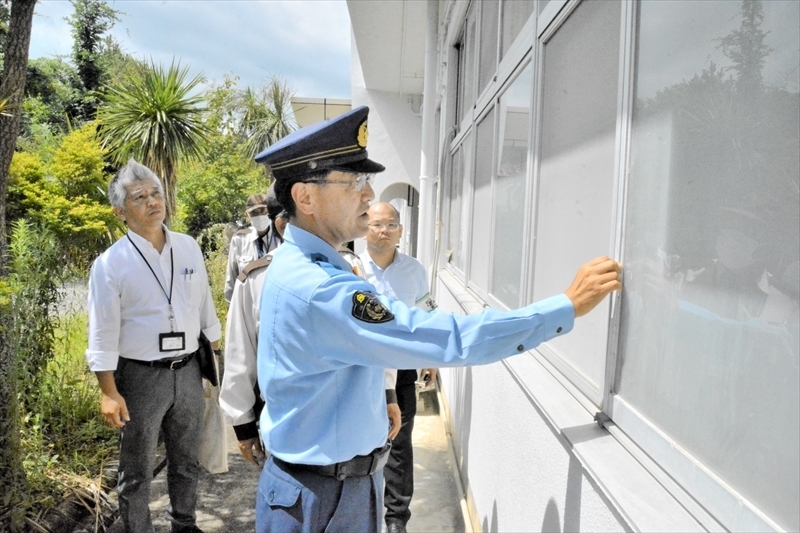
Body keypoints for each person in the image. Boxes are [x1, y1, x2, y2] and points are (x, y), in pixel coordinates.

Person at [252, 105, 622, 532]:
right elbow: (446, 336)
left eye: (365, 181)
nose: (369, 196)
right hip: (324, 499)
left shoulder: (299, 261)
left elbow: (340, 361)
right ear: (305, 197)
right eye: (354, 182)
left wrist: (383, 398)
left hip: (323, 486)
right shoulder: (322, 288)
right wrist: (563, 307)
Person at [85, 159, 221, 533]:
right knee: (137, 467)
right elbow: (102, 332)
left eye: (156, 192)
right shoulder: (110, 264)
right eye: (139, 196)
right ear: (120, 212)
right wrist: (109, 392)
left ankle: (184, 523)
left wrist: (215, 356)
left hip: (189, 369)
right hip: (141, 376)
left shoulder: (188, 247)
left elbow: (204, 304)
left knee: (186, 459)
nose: (152, 201)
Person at [360, 201, 437, 533]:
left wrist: (430, 359)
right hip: (361, 368)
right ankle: (361, 510)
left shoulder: (414, 270)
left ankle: (395, 519)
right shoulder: (351, 267)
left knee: (400, 443)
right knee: (361, 439)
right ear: (365, 227)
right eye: (377, 224)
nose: (383, 231)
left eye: (391, 225)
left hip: (402, 368)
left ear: (401, 230)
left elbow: (428, 317)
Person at [219, 209, 288, 466]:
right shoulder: (257, 277)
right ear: (281, 223)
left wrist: (387, 393)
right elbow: (241, 354)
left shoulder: (347, 269)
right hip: (282, 421)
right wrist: (244, 424)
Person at [224, 184, 284, 303]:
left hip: (277, 302)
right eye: (254, 212)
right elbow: (231, 279)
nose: (259, 215)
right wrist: (232, 308)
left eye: (263, 210)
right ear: (247, 215)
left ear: (270, 211)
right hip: (248, 304)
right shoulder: (239, 240)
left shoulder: (281, 237)